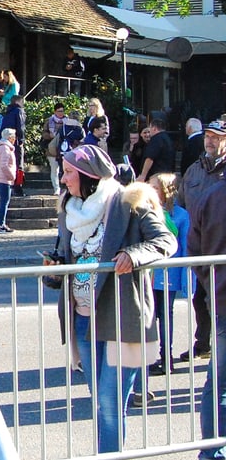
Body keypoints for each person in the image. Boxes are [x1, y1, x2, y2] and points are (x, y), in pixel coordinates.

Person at [49, 144, 174, 454]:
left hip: (121, 317)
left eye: (68, 173)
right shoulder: (69, 208)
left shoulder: (128, 201)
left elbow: (165, 241)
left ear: (89, 176)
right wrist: (53, 268)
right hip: (83, 319)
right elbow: (66, 256)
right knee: (102, 402)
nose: (63, 180)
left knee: (109, 400)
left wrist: (134, 254)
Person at [179, 118, 226, 362]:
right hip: (199, 245)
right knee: (200, 300)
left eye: (217, 137)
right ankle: (203, 343)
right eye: (208, 136)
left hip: (221, 246)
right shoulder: (194, 169)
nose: (210, 140)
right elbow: (180, 202)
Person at [189, 163, 226, 459]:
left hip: (221, 297)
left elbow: (195, 251)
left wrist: (211, 283)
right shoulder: (212, 196)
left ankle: (212, 451)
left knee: (218, 383)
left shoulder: (210, 196)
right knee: (219, 384)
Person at [145, 173, 190, 377]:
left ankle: (166, 358)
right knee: (148, 317)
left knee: (165, 316)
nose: (149, 190)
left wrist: (186, 278)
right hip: (149, 273)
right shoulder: (146, 211)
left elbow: (186, 247)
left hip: (167, 273)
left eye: (154, 187)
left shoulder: (180, 215)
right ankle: (150, 356)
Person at [1, 95, 27, 196]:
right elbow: (21, 126)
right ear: (19, 102)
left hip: (6, 141)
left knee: (9, 163)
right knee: (19, 164)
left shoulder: (7, 112)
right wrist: (21, 139)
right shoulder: (19, 111)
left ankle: (9, 187)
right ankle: (18, 188)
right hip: (16, 141)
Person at [0, 128, 18, 234]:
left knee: (5, 201)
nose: (15, 138)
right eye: (14, 136)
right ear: (10, 137)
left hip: (3, 177)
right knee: (4, 201)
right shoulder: (5, 148)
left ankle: (2, 224)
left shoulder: (4, 146)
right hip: (4, 178)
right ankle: (1, 224)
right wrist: (11, 176)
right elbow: (4, 165)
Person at [138, 115, 175, 181]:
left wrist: (143, 175)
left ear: (154, 128)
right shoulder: (169, 139)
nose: (149, 132)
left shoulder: (156, 139)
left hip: (155, 177)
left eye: (150, 128)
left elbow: (150, 158)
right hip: (167, 176)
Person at [45, 103, 67, 193]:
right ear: (55, 111)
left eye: (62, 111)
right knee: (54, 169)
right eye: (59, 111)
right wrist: (49, 135)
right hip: (52, 148)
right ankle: (56, 189)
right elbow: (44, 134)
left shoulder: (67, 121)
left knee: (65, 169)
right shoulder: (49, 121)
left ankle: (65, 188)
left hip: (64, 148)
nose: (61, 113)